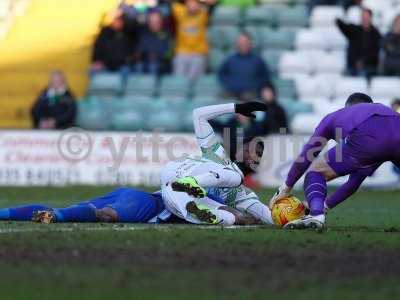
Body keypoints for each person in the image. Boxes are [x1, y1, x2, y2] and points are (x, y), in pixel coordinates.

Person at [270, 93, 400, 229]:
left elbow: (307, 154)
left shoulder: (335, 117)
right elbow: (353, 183)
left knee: (316, 171)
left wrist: (285, 188)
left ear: (347, 108)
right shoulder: (383, 114)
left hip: (365, 136)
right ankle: (318, 212)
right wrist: (325, 205)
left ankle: (316, 215)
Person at [160, 101, 274, 226]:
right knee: (236, 177)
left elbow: (269, 217)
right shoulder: (216, 152)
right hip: (178, 171)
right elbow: (198, 115)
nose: (251, 153)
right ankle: (191, 182)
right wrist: (236, 108)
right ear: (238, 148)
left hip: (175, 192)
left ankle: (205, 210)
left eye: (258, 153)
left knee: (230, 218)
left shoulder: (242, 194)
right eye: (248, 148)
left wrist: (289, 216)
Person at [0, 187, 169, 224]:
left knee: (61, 211)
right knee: (105, 215)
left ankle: (3, 213)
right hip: (149, 205)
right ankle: (46, 217)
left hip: (138, 195)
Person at [218, 32, 271, 101]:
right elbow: (221, 74)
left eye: (245, 42)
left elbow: (265, 77)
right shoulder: (230, 60)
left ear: (250, 43)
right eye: (240, 42)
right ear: (237, 44)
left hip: (251, 93)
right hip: (232, 92)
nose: (243, 44)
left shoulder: (258, 60)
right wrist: (230, 84)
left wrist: (255, 85)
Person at [171, 0, 215, 80]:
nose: (192, 5)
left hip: (198, 53)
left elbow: (213, 3)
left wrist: (203, 2)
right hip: (182, 52)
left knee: (195, 80)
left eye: (195, 3)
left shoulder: (203, 13)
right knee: (178, 80)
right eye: (190, 2)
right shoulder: (180, 11)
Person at [336, 8, 381, 78]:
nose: (365, 19)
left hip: (368, 67)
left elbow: (375, 53)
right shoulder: (354, 29)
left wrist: (363, 62)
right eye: (363, 17)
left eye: (367, 17)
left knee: (362, 75)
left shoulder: (375, 34)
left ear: (371, 18)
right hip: (352, 65)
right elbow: (341, 25)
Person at [90, 9, 136, 75]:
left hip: (123, 64)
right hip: (105, 64)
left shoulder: (128, 31)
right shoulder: (105, 32)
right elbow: (97, 48)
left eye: (120, 20)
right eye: (116, 20)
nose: (117, 22)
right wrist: (96, 61)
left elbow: (134, 24)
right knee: (93, 70)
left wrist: (123, 14)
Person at [134, 10, 171, 74]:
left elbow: (169, 53)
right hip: (144, 61)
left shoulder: (166, 34)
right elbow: (140, 50)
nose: (154, 24)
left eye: (157, 21)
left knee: (153, 66)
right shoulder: (144, 34)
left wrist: (158, 56)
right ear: (148, 22)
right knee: (138, 67)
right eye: (152, 21)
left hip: (161, 63)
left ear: (161, 21)